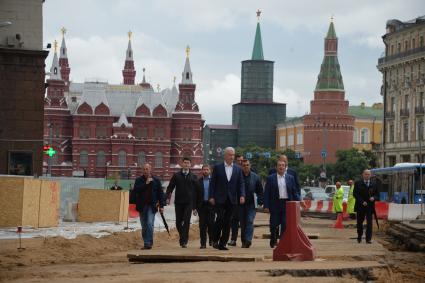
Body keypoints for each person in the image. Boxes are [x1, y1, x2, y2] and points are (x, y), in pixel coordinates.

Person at [209, 147, 245, 250]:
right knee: (220, 218)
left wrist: (242, 195)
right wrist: (211, 196)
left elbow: (241, 183)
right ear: (225, 155)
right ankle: (215, 239)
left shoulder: (238, 169)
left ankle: (223, 243)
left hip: (232, 199)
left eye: (233, 155)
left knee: (228, 221)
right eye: (230, 155)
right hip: (219, 198)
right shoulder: (217, 167)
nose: (232, 157)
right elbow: (213, 183)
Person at [264, 160, 300, 248]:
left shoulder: (290, 178)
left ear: (285, 167)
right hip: (275, 203)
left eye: (283, 165)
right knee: (273, 224)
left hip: (286, 203)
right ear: (276, 167)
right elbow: (267, 193)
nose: (281, 167)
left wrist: (299, 201)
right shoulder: (270, 178)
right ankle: (273, 240)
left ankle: (282, 242)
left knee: (284, 223)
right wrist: (266, 205)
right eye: (279, 165)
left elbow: (294, 191)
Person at [130, 163, 165, 249]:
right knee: (144, 225)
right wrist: (145, 184)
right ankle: (148, 241)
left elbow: (160, 194)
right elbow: (136, 191)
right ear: (142, 170)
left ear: (150, 170)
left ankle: (147, 243)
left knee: (149, 223)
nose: (146, 171)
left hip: (152, 206)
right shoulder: (139, 180)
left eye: (147, 169)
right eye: (144, 169)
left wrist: (162, 206)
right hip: (142, 206)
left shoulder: (156, 180)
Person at [166, 157, 198, 248]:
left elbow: (197, 191)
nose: (186, 164)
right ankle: (182, 237)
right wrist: (167, 197)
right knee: (178, 222)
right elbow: (170, 187)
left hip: (189, 203)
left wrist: (195, 205)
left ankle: (184, 240)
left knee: (186, 221)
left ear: (190, 165)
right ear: (182, 164)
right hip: (179, 202)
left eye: (188, 163)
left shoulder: (193, 176)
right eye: (185, 163)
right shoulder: (176, 175)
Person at [239, 159, 263, 248]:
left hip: (252, 204)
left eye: (247, 165)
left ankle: (248, 240)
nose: (246, 166)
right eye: (244, 165)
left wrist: (261, 201)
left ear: (250, 165)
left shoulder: (255, 177)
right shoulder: (238, 176)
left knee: (249, 220)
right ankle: (243, 241)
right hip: (240, 204)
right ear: (241, 166)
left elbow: (260, 190)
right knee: (243, 223)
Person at [353, 169, 379, 244]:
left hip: (370, 207)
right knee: (359, 222)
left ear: (370, 175)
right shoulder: (358, 183)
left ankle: (368, 239)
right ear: (363, 175)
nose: (367, 175)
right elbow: (355, 194)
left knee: (369, 223)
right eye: (366, 174)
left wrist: (373, 198)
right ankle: (359, 236)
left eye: (368, 174)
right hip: (360, 206)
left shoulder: (374, 184)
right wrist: (362, 201)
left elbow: (377, 195)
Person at [196, 164, 215, 249]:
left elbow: (217, 192)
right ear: (202, 171)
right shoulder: (198, 181)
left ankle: (211, 239)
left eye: (207, 169)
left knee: (211, 224)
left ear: (210, 171)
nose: (205, 171)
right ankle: (203, 243)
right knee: (202, 225)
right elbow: (194, 195)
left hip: (211, 205)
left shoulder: (214, 181)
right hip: (202, 205)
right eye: (204, 169)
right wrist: (194, 208)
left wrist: (215, 200)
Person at [228, 154, 244, 246]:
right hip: (234, 200)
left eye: (241, 160)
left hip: (245, 201)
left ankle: (244, 240)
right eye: (238, 160)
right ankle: (233, 239)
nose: (240, 162)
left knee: (244, 222)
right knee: (234, 220)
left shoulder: (248, 171)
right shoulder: (232, 171)